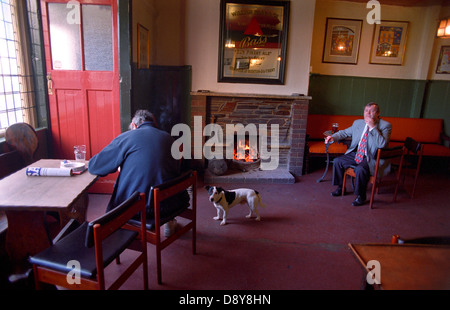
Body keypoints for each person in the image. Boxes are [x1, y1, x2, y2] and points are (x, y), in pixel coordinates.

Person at [88, 110, 188, 218]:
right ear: (155, 124)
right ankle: (170, 222)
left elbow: (95, 167)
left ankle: (124, 233)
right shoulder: (169, 138)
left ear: (134, 125)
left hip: (141, 208)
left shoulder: (127, 137)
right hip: (172, 202)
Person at [325, 102, 392, 206]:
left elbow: (382, 144)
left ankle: (361, 196)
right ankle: (340, 187)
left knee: (360, 169)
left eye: (372, 111)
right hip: (357, 153)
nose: (368, 113)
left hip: (371, 156)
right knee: (338, 161)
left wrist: (372, 127)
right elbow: (344, 132)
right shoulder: (358, 123)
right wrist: (333, 137)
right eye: (366, 111)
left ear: (378, 113)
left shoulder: (385, 126)